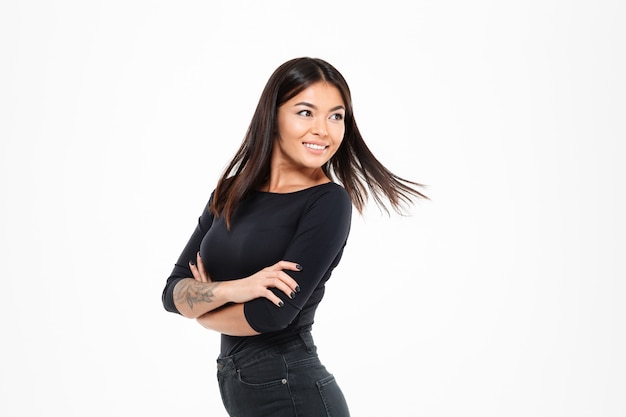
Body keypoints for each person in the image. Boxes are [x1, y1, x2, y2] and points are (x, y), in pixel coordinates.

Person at [161, 57, 427, 417]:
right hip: (247, 390)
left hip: (294, 392)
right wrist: (232, 291)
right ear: (273, 116)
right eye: (306, 112)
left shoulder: (328, 202)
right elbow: (172, 292)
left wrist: (202, 313)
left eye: (336, 116)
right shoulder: (228, 193)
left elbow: (272, 315)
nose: (324, 130)